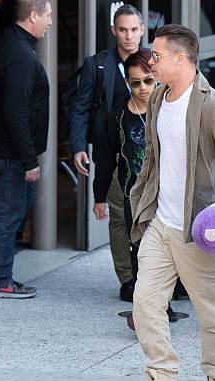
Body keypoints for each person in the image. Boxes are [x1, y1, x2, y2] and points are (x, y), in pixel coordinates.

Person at [127, 24, 215, 381]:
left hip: (197, 229)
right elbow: (153, 157)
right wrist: (141, 198)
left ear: (181, 60)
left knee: (212, 313)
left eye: (158, 56)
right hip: (160, 224)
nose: (151, 61)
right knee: (145, 304)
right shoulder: (159, 98)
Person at [69, 4, 145, 302]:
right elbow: (80, 107)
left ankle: (155, 276)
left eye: (134, 29)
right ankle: (127, 279)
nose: (128, 36)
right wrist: (77, 146)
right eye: (123, 30)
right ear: (114, 31)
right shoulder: (98, 65)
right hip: (111, 153)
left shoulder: (153, 62)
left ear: (142, 30)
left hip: (147, 153)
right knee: (118, 218)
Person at [0, 0, 52, 298]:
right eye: (47, 15)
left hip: (4, 149)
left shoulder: (10, 40)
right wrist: (28, 160)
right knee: (7, 213)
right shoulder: (20, 55)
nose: (49, 22)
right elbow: (16, 113)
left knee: (4, 210)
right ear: (33, 16)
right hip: (11, 154)